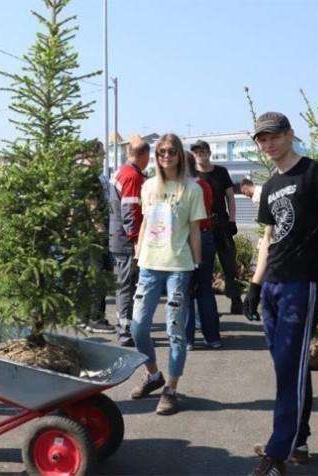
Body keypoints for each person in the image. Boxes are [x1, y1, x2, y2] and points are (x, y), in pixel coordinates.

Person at [244, 112, 318, 476]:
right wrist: (255, 284)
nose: (268, 144)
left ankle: (277, 453)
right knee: (286, 367)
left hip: (302, 283)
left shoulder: (316, 172)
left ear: (290, 134)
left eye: (273, 136)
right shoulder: (272, 184)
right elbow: (268, 238)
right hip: (273, 286)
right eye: (261, 139)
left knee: (291, 364)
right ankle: (301, 439)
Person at [129, 133, 205, 416]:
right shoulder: (148, 186)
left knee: (175, 331)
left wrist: (198, 268)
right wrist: (138, 256)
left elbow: (195, 231)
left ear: (179, 154)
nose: (166, 156)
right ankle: (153, 375)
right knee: (137, 327)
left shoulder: (191, 189)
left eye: (171, 152)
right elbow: (146, 222)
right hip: (149, 265)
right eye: (161, 152)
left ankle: (170, 389)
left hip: (178, 267)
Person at [190, 139, 243, 315]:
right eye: (196, 152)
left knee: (228, 262)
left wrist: (233, 220)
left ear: (209, 153)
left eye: (202, 151)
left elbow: (230, 197)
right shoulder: (192, 174)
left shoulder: (221, 172)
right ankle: (205, 305)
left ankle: (236, 300)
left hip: (220, 222)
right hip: (200, 225)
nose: (199, 154)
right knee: (203, 265)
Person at [108, 137, 150, 346]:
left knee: (125, 286)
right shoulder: (132, 176)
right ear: (144, 156)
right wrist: (136, 240)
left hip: (118, 238)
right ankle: (125, 332)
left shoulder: (121, 171)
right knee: (128, 286)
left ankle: (125, 328)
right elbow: (130, 211)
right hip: (126, 241)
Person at [184, 153, 221, 350]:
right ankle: (213, 337)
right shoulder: (204, 185)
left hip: (188, 236)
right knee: (205, 289)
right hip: (206, 234)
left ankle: (188, 339)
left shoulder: (185, 188)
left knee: (187, 290)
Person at [79, 139, 116, 334]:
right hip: (93, 233)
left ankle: (83, 315)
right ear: (92, 154)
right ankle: (96, 318)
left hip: (81, 232)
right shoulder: (90, 177)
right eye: (101, 153)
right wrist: (101, 231)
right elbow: (92, 205)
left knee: (86, 274)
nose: (103, 157)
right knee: (99, 274)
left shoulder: (78, 174)